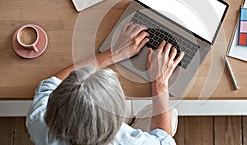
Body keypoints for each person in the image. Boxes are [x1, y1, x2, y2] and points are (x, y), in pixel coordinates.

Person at [26, 23, 184, 145]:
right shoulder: (127, 142)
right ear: (113, 122)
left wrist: (113, 54)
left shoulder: (39, 120)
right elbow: (164, 140)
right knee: (170, 113)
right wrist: (160, 82)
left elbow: (51, 84)